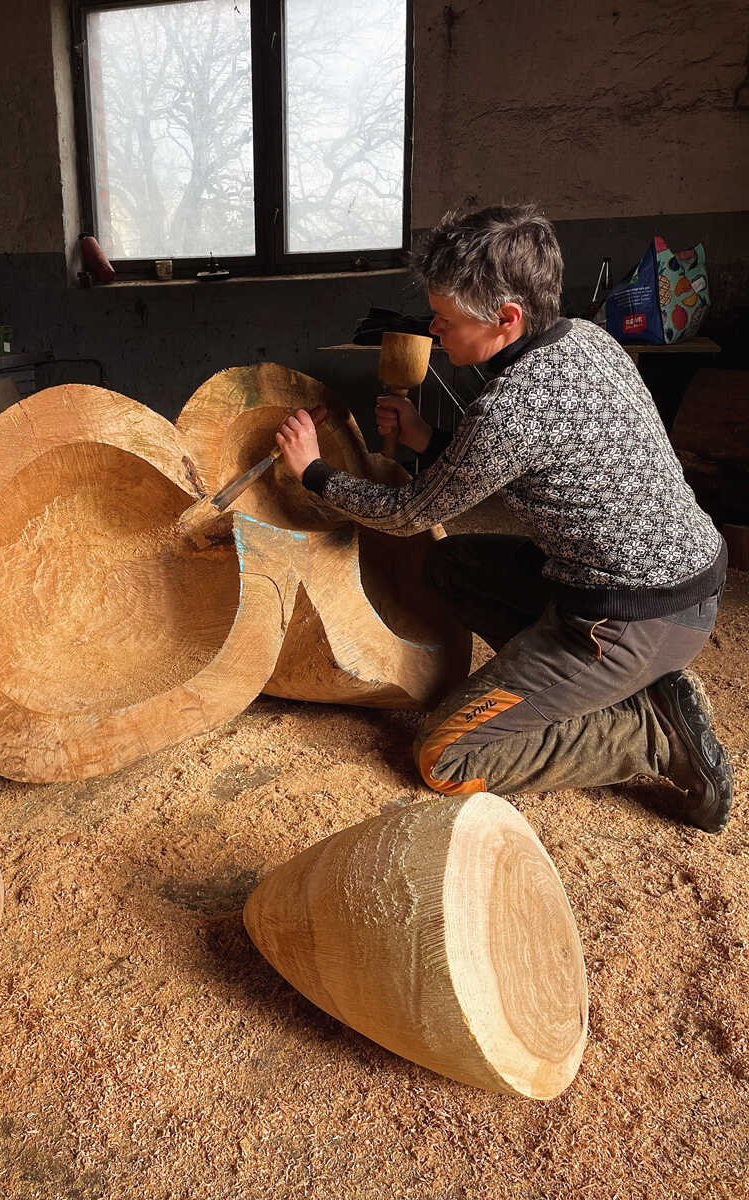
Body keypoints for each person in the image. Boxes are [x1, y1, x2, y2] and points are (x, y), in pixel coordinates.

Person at [275, 204, 732, 833]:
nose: (434, 330)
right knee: (451, 563)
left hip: (630, 615)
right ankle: (590, 685)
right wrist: (425, 438)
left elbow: (408, 514)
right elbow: (523, 459)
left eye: (445, 319)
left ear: (507, 317)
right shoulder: (586, 338)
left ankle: (650, 732)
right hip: (680, 579)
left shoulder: (511, 406)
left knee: (444, 757)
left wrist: (313, 473)